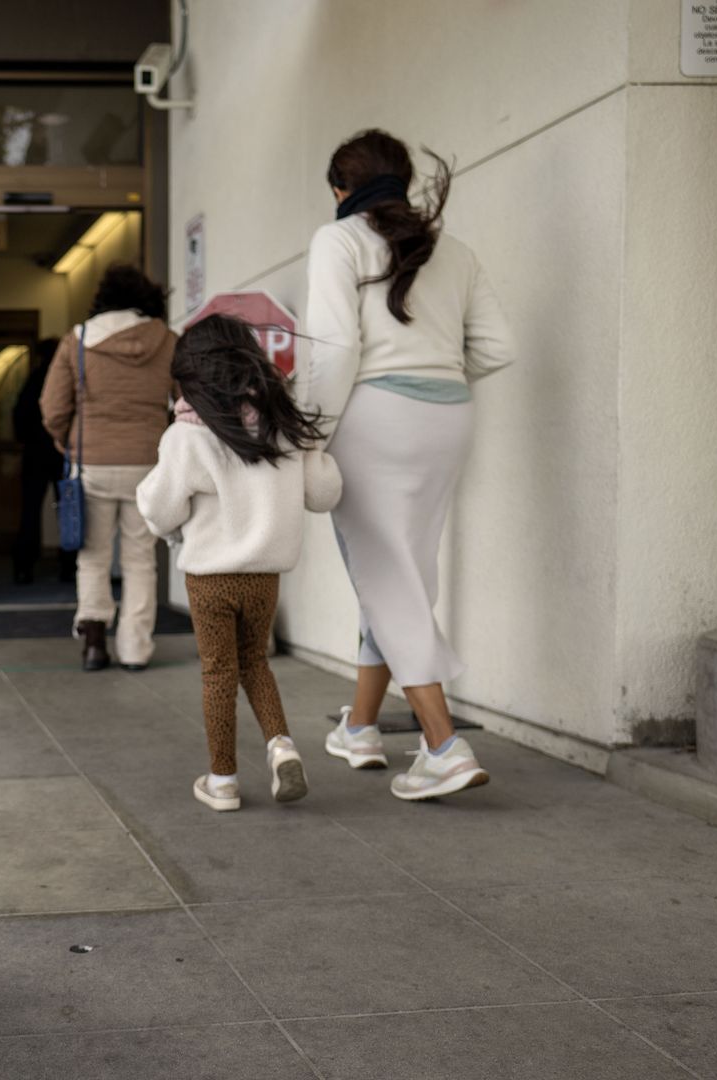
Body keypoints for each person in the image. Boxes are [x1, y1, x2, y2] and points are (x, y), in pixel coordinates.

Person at [301, 128, 516, 801]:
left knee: (388, 578)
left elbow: (334, 352)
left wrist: (311, 433)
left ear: (341, 188)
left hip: (374, 421)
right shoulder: (453, 250)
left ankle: (444, 747)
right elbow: (497, 348)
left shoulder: (337, 240)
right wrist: (434, 376)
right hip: (448, 417)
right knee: (404, 574)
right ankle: (361, 727)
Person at [138, 316, 342, 810]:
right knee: (255, 664)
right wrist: (317, 453)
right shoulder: (282, 425)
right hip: (264, 576)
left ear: (191, 374)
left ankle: (223, 780)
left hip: (210, 578)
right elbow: (323, 494)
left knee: (217, 674)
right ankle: (281, 747)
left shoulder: (186, 434)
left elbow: (160, 509)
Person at [40, 265, 176, 671]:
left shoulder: (78, 342)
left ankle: (95, 642)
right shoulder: (168, 341)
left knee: (94, 556)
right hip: (148, 464)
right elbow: (185, 400)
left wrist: (67, 440)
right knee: (140, 559)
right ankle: (135, 649)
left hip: (92, 462)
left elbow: (52, 406)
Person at [12, 338, 71, 585]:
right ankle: (69, 566)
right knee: (68, 510)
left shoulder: (34, 379)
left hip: (35, 454)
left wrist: (25, 440)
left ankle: (24, 567)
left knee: (30, 512)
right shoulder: (66, 379)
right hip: (62, 451)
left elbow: (19, 415)